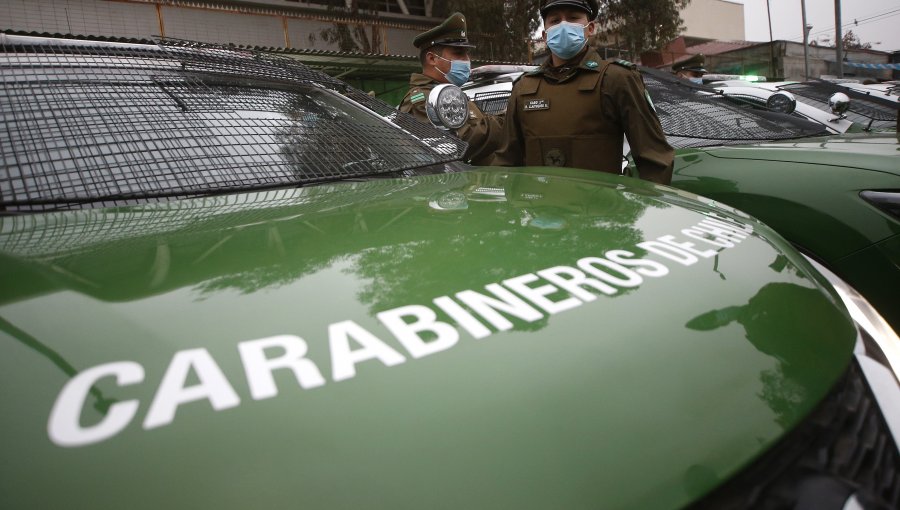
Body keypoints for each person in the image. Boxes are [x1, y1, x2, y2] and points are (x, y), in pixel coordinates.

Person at [491, 0, 674, 184]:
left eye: (573, 18)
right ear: (545, 36)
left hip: (599, 210)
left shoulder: (616, 79)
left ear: (590, 28)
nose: (564, 25)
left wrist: (629, 204)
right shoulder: (524, 88)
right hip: (541, 209)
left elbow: (655, 161)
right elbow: (506, 162)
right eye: (555, 20)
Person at [398, 12, 502, 166]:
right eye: (459, 53)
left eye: (467, 54)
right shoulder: (424, 99)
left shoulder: (450, 94)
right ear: (432, 59)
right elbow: (461, 144)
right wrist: (509, 120)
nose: (467, 60)